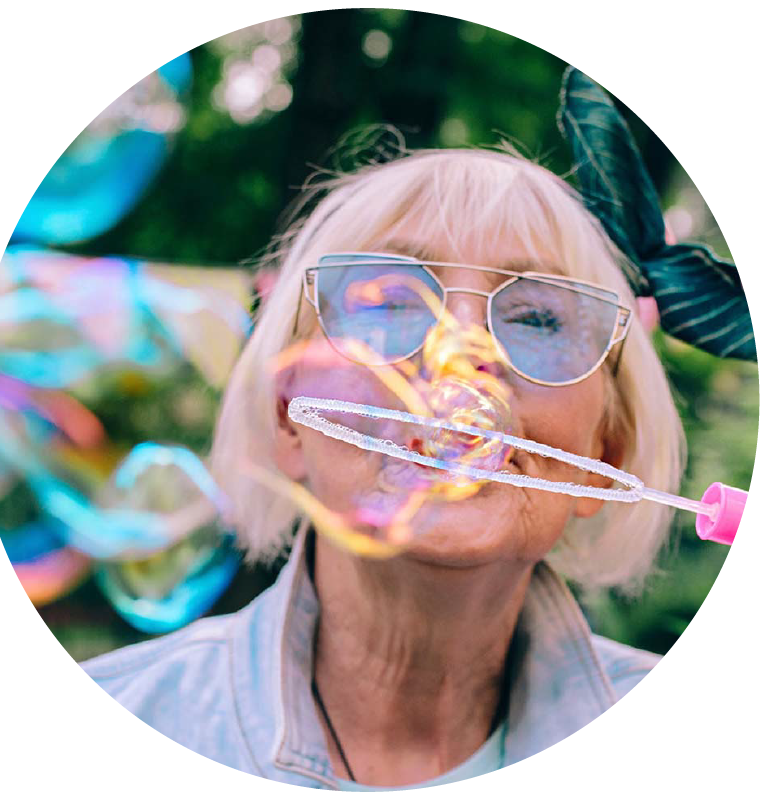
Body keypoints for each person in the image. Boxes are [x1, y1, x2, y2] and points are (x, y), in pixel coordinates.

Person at [77, 141, 691, 787]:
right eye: (390, 304)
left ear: (603, 458)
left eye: (536, 317)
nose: (462, 351)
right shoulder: (98, 738)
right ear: (289, 419)